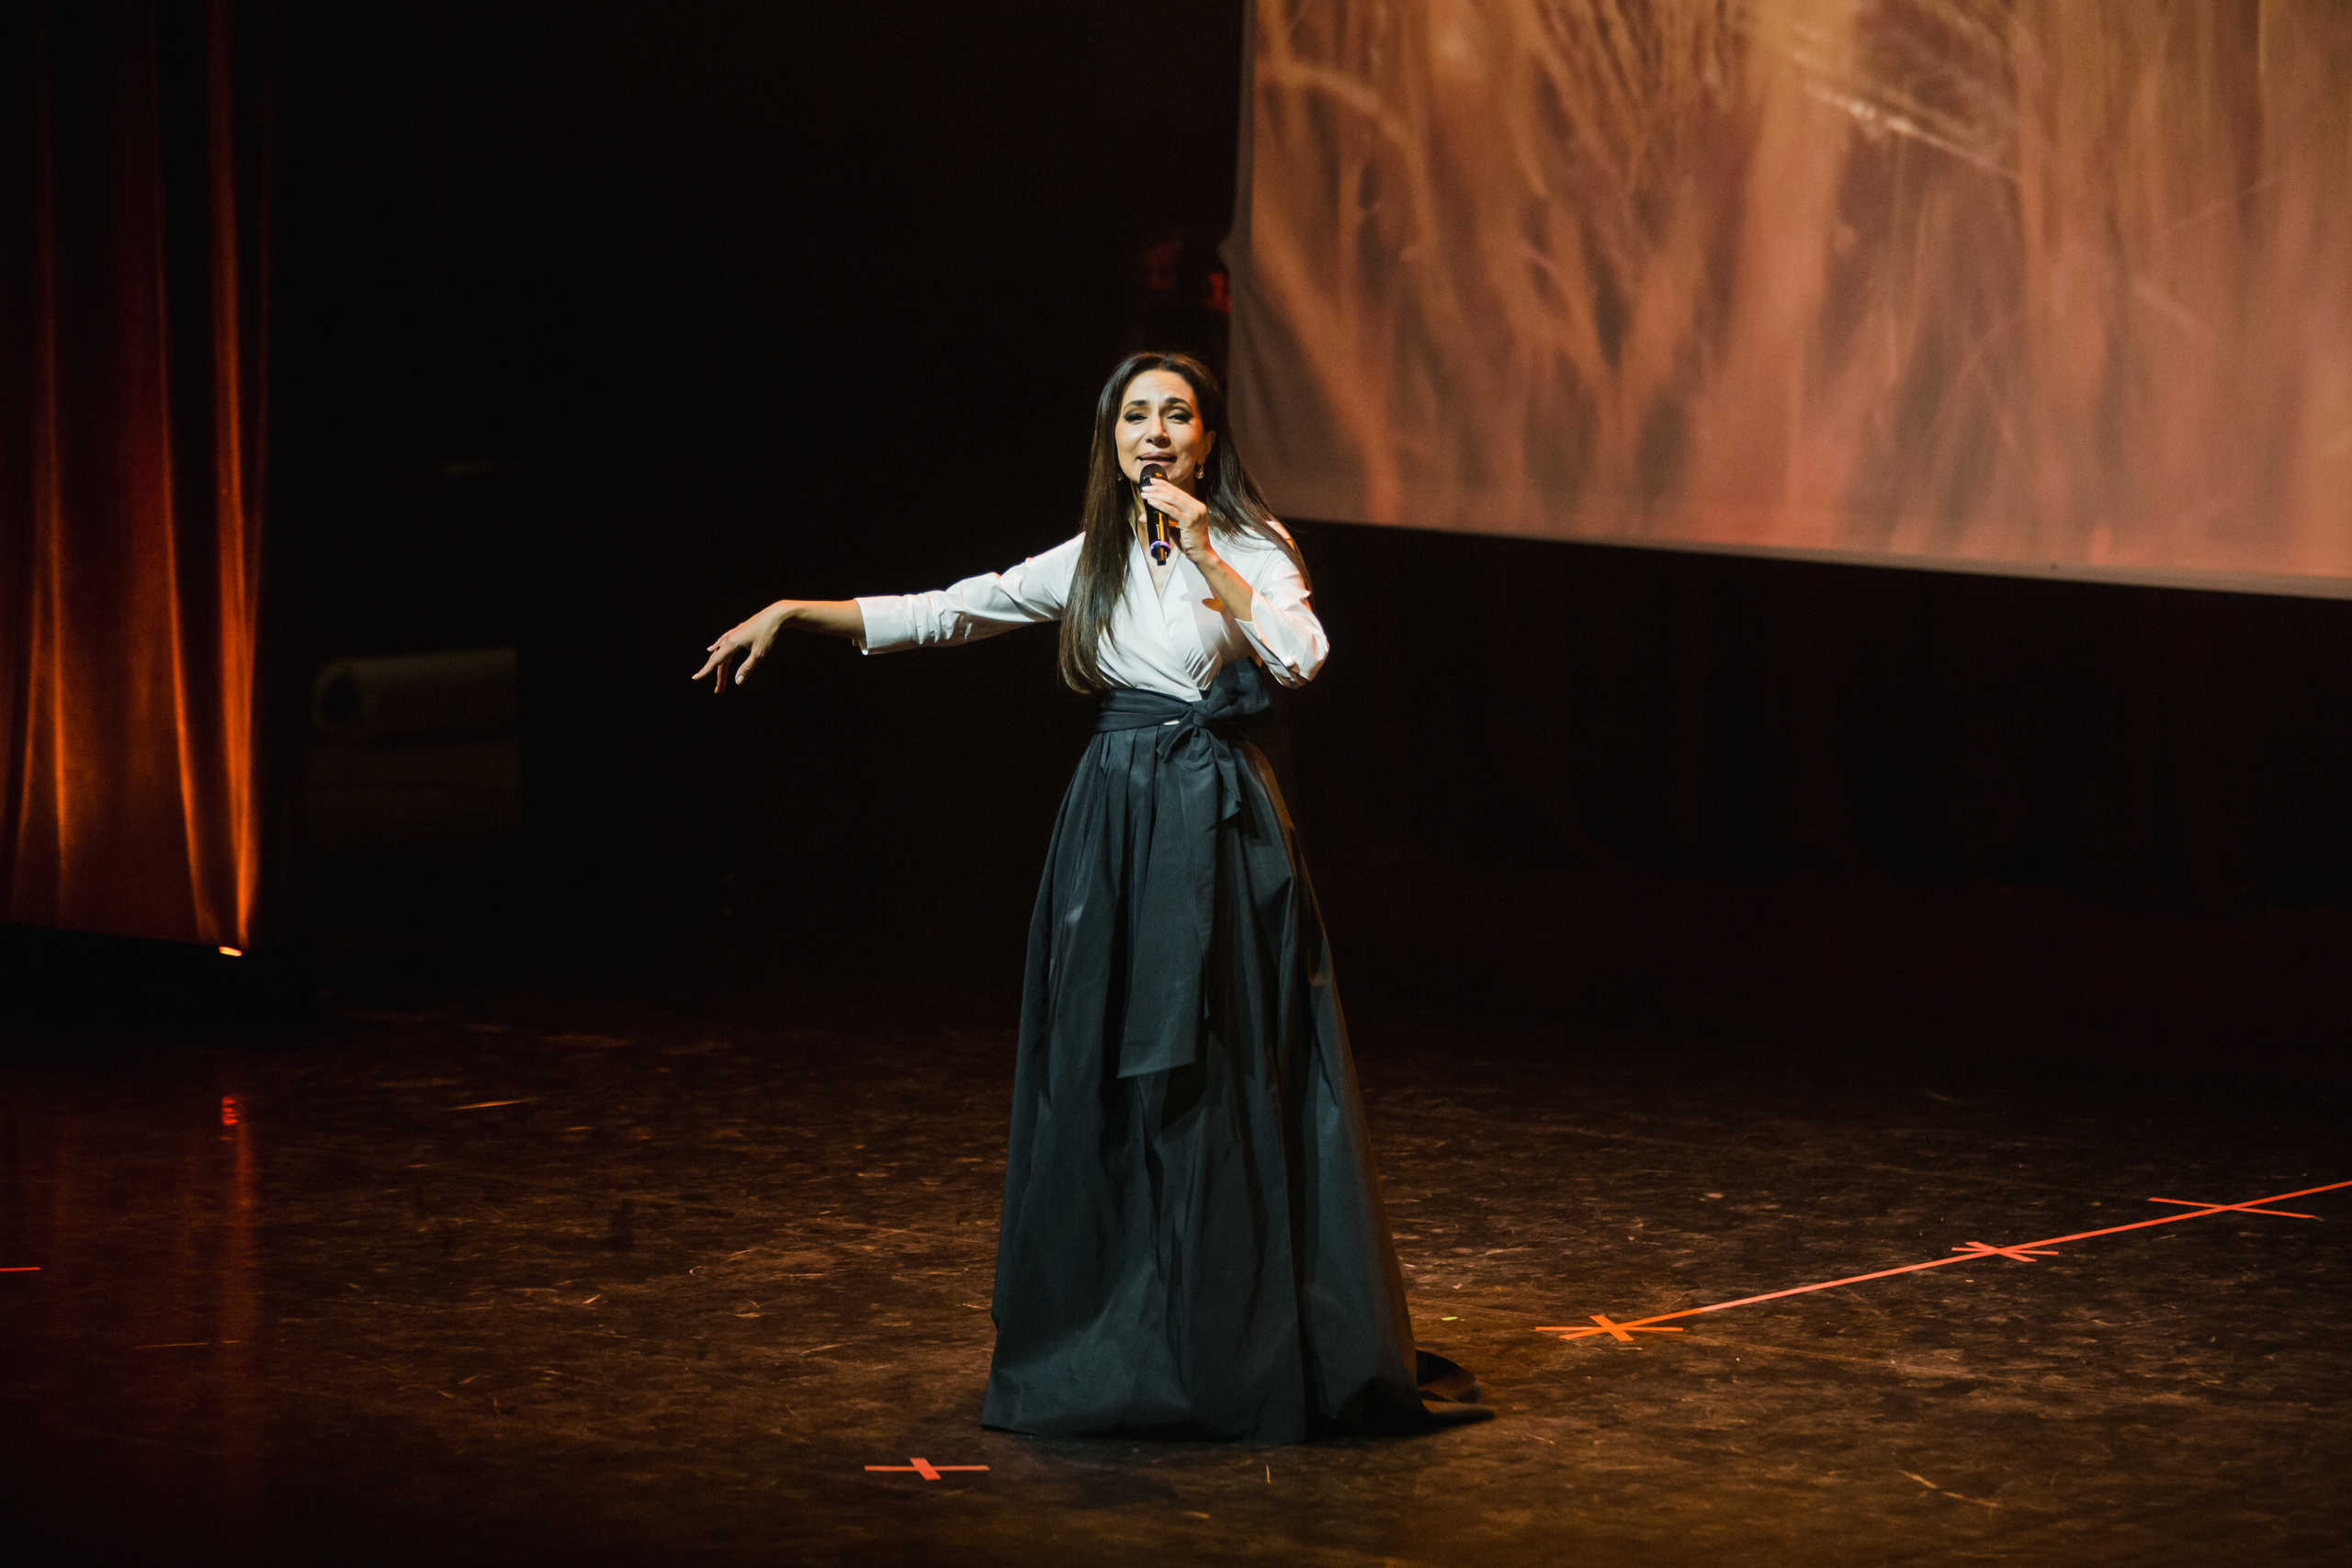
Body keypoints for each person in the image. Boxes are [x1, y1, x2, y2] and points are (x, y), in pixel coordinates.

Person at [692, 352, 1490, 1444]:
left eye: (1176, 415)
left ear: (1207, 440)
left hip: (1221, 831)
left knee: (1226, 1066)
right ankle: (1124, 1331)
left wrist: (1207, 547)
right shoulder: (1088, 561)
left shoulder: (1251, 545)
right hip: (1114, 830)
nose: (1154, 433)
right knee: (1109, 1069)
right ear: (1110, 441)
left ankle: (1240, 1336)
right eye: (1135, 417)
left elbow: (1301, 657)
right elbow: (946, 612)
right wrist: (799, 611)